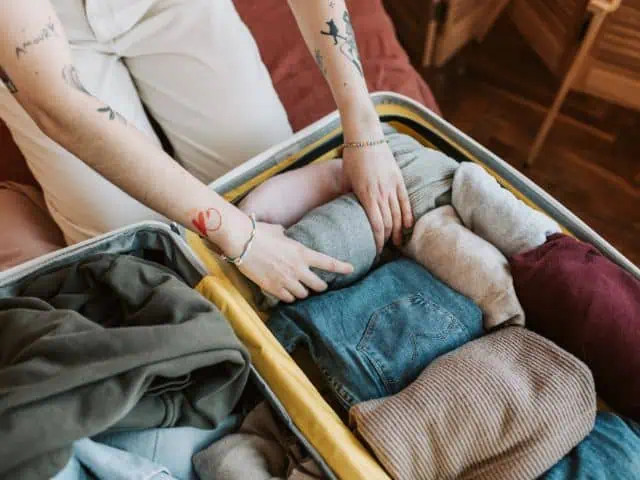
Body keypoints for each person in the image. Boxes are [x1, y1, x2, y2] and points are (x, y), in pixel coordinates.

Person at [0, 0, 413, 303]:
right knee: (136, 258)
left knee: (268, 181)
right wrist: (238, 237)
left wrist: (363, 127)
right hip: (35, 40)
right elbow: (58, 103)